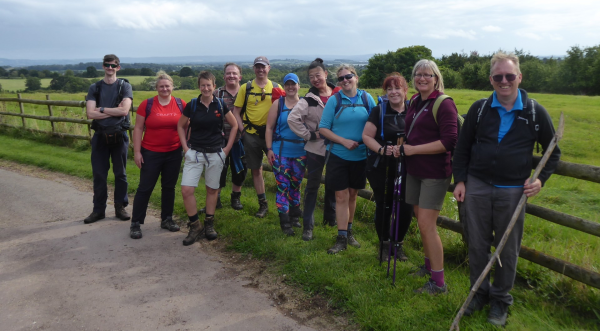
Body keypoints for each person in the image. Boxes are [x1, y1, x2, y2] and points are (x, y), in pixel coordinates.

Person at [453, 51, 560, 326]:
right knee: (476, 244)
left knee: (506, 248)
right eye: (498, 76)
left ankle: (500, 301)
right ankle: (478, 294)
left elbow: (553, 152)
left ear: (519, 77)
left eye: (509, 76)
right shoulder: (479, 109)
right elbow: (462, 148)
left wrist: (539, 180)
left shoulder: (535, 111)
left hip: (513, 189)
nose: (504, 81)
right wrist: (461, 180)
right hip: (476, 185)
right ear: (491, 79)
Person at [400, 59, 458, 294]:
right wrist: (404, 147)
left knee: (427, 224)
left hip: (434, 173)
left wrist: (413, 150)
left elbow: (449, 141)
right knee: (420, 220)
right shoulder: (414, 100)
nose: (422, 78)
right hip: (414, 170)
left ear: (436, 78)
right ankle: (428, 266)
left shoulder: (444, 104)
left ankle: (439, 282)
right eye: (418, 75)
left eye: (427, 75)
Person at [319, 64, 376, 254]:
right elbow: (323, 128)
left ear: (356, 77)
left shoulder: (367, 99)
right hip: (338, 155)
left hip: (360, 156)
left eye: (348, 76)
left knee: (353, 195)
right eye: (341, 78)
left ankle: (349, 232)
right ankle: (341, 237)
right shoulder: (334, 101)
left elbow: (377, 124)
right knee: (340, 195)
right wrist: (343, 141)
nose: (345, 80)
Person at [177, 71, 238, 246]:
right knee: (187, 190)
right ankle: (195, 225)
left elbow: (234, 125)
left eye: (208, 85)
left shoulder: (219, 104)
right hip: (195, 153)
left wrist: (226, 149)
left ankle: (209, 224)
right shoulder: (193, 105)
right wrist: (185, 147)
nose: (205, 88)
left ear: (213, 86)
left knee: (212, 189)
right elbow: (180, 126)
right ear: (199, 86)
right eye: (202, 85)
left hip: (215, 153)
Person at [288, 58, 340, 241]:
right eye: (311, 77)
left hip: (338, 147)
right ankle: (307, 226)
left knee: (334, 184)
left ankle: (330, 219)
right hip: (316, 148)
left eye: (318, 75)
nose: (315, 79)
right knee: (312, 186)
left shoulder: (338, 94)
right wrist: (309, 135)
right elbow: (292, 119)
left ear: (326, 74)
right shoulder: (308, 100)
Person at [362, 73, 413, 262]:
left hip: (406, 166)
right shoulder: (379, 110)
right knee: (385, 205)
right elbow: (367, 136)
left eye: (397, 88)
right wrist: (383, 150)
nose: (393, 92)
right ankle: (384, 244)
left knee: (405, 207)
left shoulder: (413, 110)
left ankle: (397, 244)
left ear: (405, 90)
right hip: (381, 166)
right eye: (389, 89)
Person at [129, 71, 185, 239]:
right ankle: (136, 223)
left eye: (167, 86)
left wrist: (186, 147)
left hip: (174, 152)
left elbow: (186, 127)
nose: (164, 89)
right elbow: (138, 128)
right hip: (151, 153)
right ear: (156, 88)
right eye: (161, 86)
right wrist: (137, 152)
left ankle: (167, 219)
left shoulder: (181, 104)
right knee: (145, 188)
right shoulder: (147, 104)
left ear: (172, 87)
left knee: (169, 187)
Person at [84, 54, 133, 224]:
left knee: (120, 174)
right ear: (103, 66)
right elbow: (90, 113)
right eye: (107, 65)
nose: (110, 68)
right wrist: (114, 110)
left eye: (113, 65)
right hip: (99, 135)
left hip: (119, 134)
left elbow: (124, 111)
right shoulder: (95, 87)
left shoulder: (124, 86)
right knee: (99, 174)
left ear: (118, 67)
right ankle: (98, 210)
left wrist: (102, 109)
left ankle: (120, 207)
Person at [232, 57, 280, 218]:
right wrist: (243, 131)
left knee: (280, 169)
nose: (260, 70)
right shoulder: (246, 87)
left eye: (263, 67)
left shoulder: (276, 87)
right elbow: (236, 112)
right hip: (251, 134)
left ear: (269, 68)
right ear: (254, 69)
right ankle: (263, 204)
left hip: (272, 135)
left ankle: (285, 205)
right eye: (257, 67)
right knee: (256, 169)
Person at [200, 62, 246, 212]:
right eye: (228, 73)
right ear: (224, 76)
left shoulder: (246, 92)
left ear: (240, 76)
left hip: (242, 138)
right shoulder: (217, 93)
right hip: (220, 138)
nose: (231, 76)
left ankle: (236, 197)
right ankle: (216, 198)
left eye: (234, 73)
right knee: (218, 169)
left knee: (240, 169)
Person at [265, 73, 306, 236]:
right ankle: (285, 222)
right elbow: (269, 127)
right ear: (284, 86)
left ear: (298, 86)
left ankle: (295, 216)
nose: (290, 87)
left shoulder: (304, 104)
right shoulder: (278, 104)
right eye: (287, 84)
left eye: (293, 84)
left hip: (301, 152)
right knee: (283, 186)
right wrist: (269, 149)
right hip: (280, 151)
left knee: (296, 184)